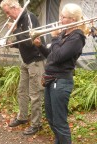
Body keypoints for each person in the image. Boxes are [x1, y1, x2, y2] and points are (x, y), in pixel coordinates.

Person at [33, 3, 86, 144]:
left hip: (61, 82)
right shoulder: (64, 33)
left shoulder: (77, 38)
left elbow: (58, 57)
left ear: (73, 20)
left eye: (63, 17)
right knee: (51, 118)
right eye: (60, 16)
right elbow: (51, 56)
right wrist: (40, 46)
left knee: (59, 121)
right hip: (51, 80)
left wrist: (54, 37)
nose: (60, 19)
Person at [0, 0, 45, 135]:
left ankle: (37, 124)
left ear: (15, 8)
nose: (8, 16)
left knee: (35, 94)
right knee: (21, 91)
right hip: (25, 61)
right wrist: (11, 44)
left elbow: (30, 42)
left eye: (8, 12)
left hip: (35, 61)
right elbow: (22, 41)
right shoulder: (19, 20)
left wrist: (15, 30)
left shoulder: (29, 17)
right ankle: (22, 117)